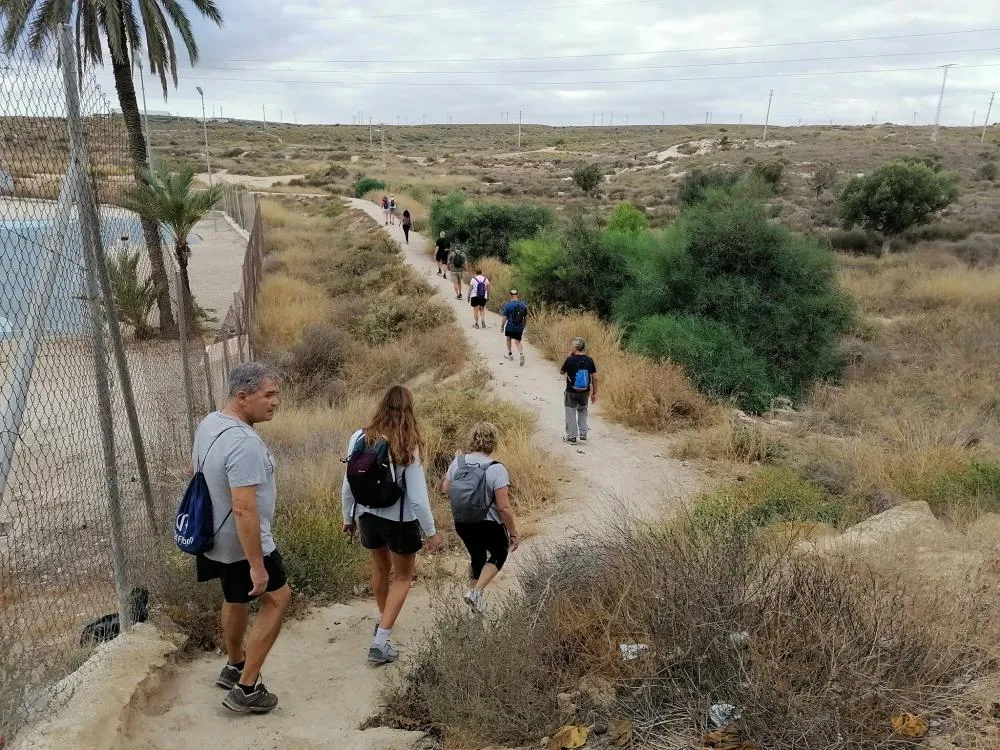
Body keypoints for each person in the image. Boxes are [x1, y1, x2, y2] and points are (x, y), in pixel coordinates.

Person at [194, 361, 290, 714]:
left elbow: (197, 472)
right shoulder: (244, 442)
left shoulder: (209, 423)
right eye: (268, 395)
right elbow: (245, 509)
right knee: (277, 598)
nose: (275, 401)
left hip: (213, 536)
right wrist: (258, 566)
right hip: (243, 541)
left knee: (234, 597)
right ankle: (247, 688)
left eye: (276, 394)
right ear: (242, 396)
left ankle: (234, 664)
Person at [342, 385, 443, 665]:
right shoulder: (407, 441)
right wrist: (432, 533)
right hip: (399, 519)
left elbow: (348, 482)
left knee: (380, 569)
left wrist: (347, 518)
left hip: (366, 515)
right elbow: (419, 498)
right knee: (402, 577)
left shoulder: (359, 436)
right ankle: (381, 641)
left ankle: (384, 620)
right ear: (409, 409)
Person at [442, 422, 520, 615]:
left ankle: (475, 605)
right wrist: (513, 532)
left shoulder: (458, 462)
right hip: (488, 523)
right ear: (493, 441)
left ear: (472, 439)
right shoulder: (496, 468)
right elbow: (503, 507)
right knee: (499, 553)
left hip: (462, 521)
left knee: (477, 557)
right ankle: (476, 592)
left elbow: (445, 489)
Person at [560, 337, 598, 444]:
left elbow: (562, 372)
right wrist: (594, 393)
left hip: (571, 391)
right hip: (585, 391)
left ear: (575, 347)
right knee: (582, 410)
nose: (570, 347)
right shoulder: (589, 360)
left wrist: (568, 356)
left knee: (570, 412)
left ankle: (572, 437)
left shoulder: (570, 359)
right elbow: (595, 377)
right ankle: (583, 433)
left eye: (572, 346)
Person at [500, 289, 528, 366]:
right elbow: (525, 317)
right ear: (517, 295)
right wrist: (524, 325)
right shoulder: (523, 305)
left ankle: (510, 354)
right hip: (519, 326)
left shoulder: (508, 305)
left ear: (510, 295)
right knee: (517, 341)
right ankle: (521, 354)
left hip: (510, 326)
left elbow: (505, 318)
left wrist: (502, 326)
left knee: (508, 338)